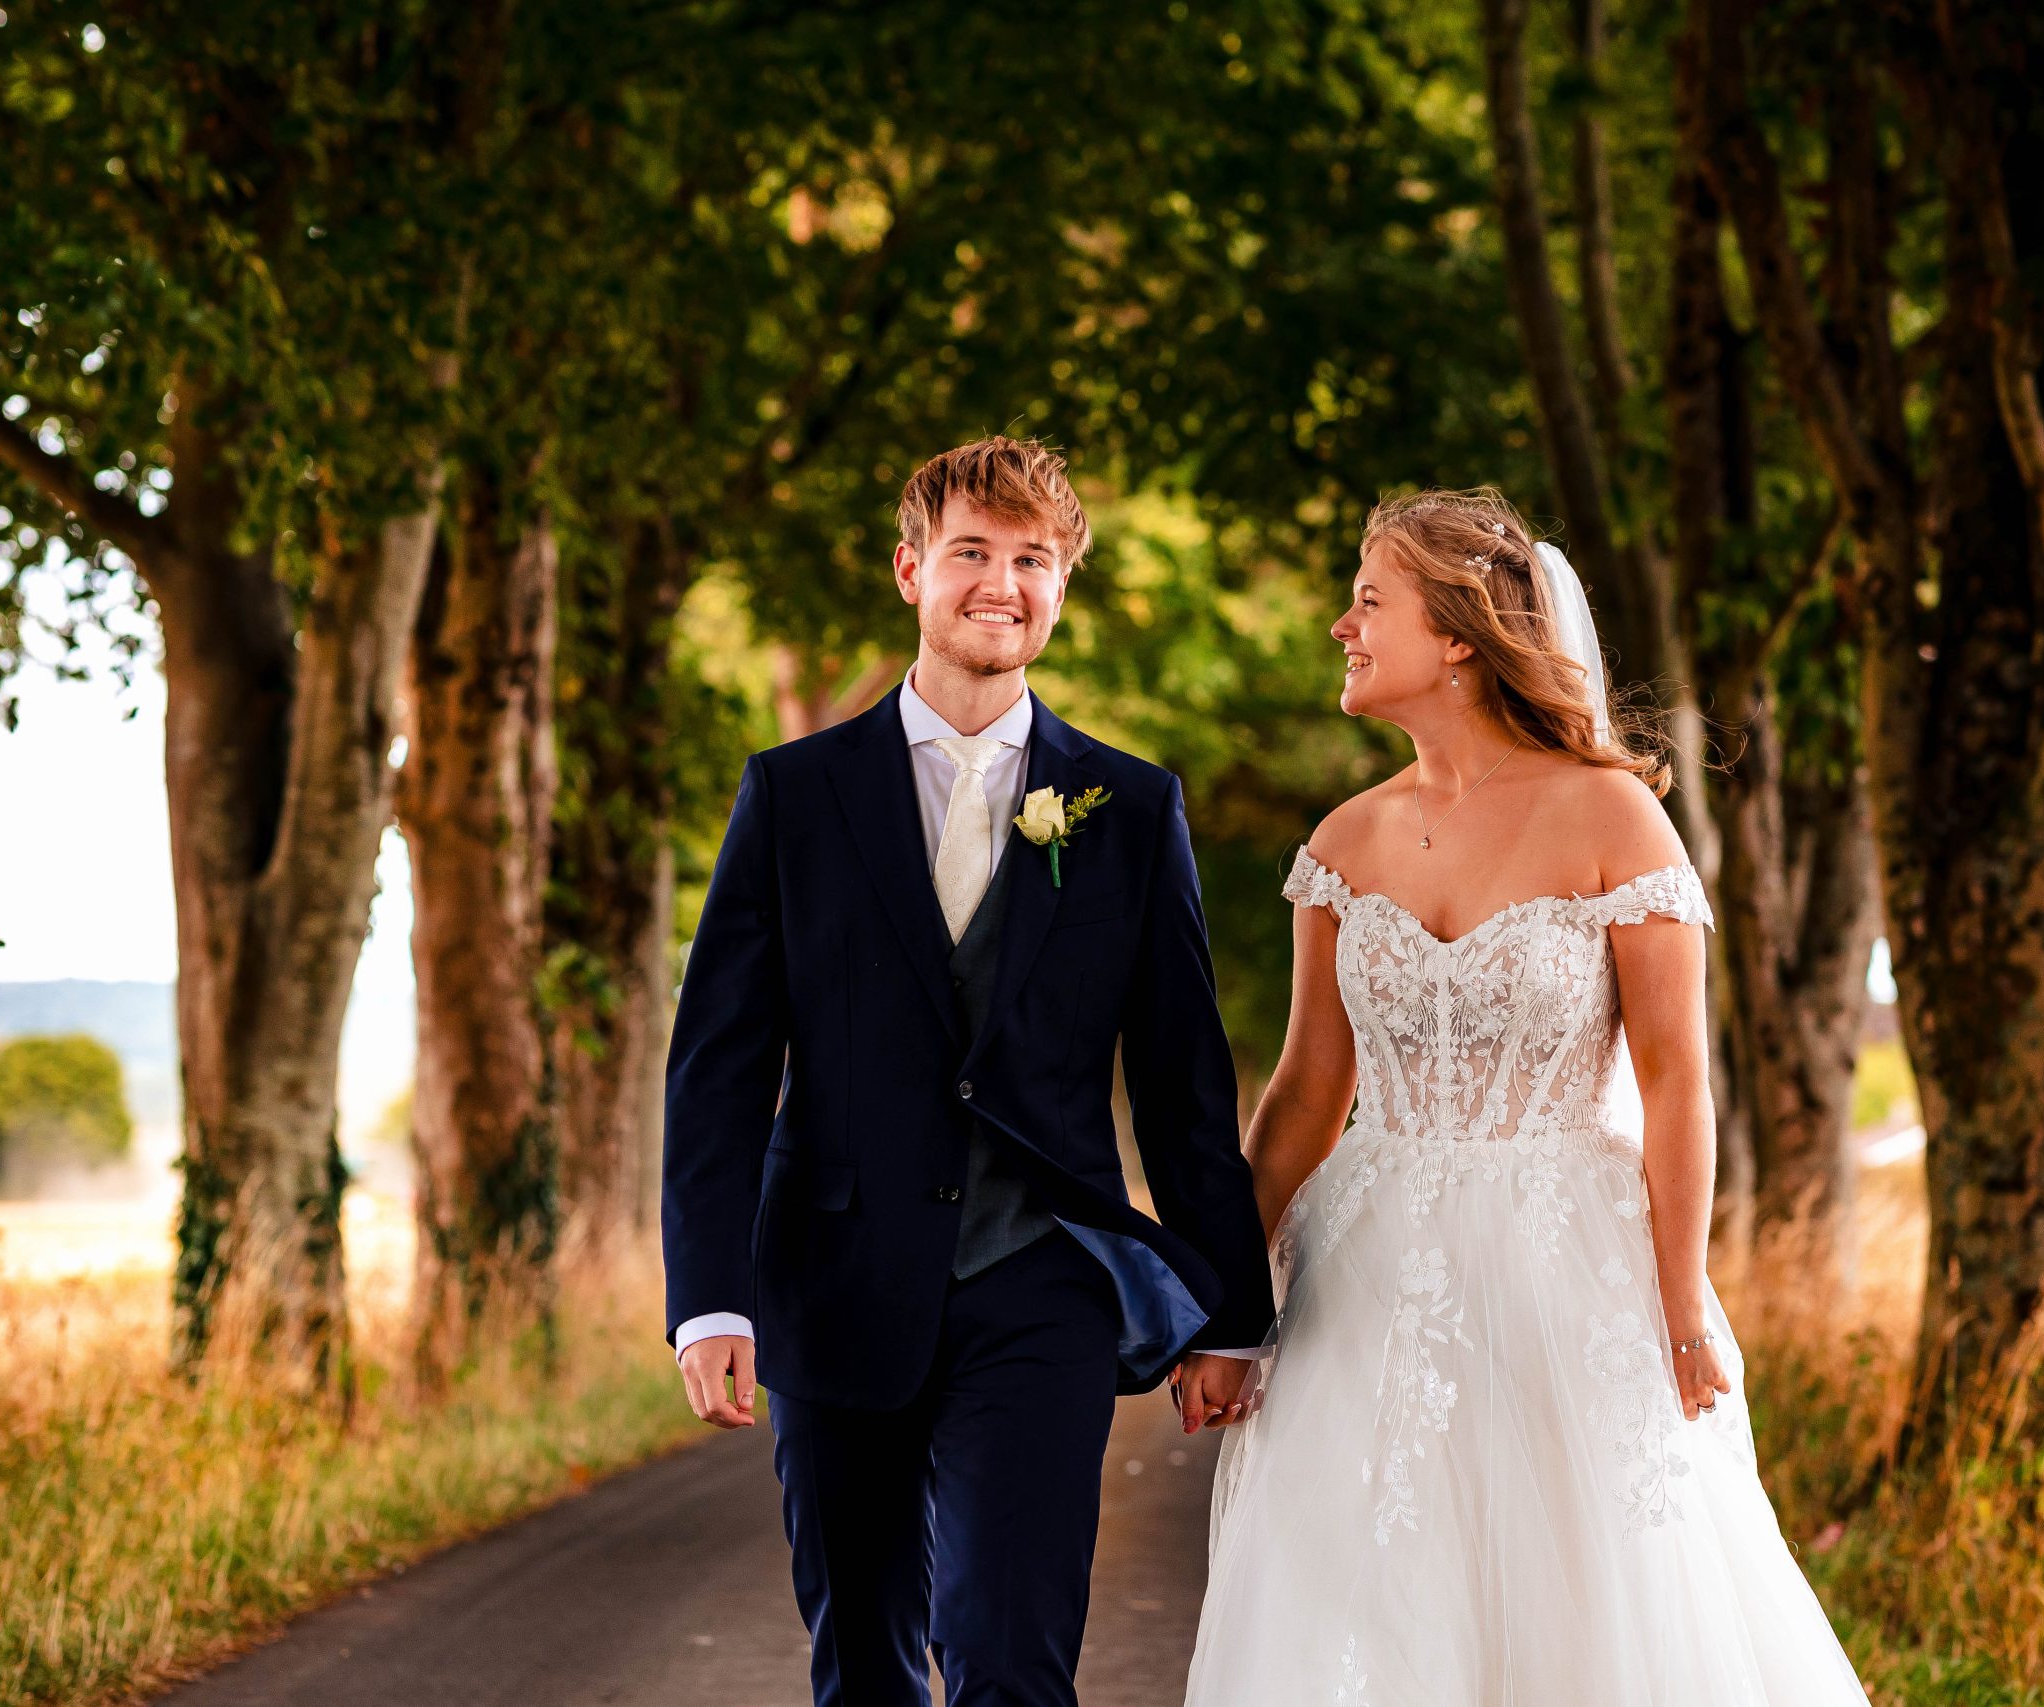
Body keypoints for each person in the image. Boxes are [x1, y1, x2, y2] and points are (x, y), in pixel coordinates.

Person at [1182, 488, 1872, 1705]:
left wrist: (1678, 1304)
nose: (1343, 625)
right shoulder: (1340, 843)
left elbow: (1674, 1085)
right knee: (1366, 1603)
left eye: (1368, 600)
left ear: (1456, 634)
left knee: (1586, 1611)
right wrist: (1222, 1310)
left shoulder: (1614, 818)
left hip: (1573, 1278)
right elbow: (1301, 1098)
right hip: (1364, 1285)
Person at [661, 435, 1274, 1707]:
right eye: (972, 555)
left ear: (1062, 588)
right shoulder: (793, 795)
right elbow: (719, 1065)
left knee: (1010, 1656)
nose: (1002, 583)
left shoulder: (1130, 807)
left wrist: (1228, 1311)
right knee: (867, 1667)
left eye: (1033, 560)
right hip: (830, 1282)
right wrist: (708, 1298)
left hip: (1038, 1284)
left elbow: (1180, 1081)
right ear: (910, 572)